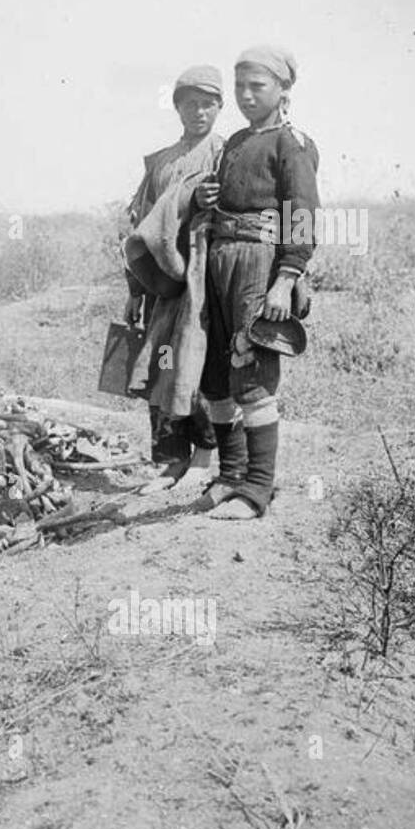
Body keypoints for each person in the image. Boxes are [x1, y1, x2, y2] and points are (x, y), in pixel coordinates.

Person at [193, 45, 319, 519]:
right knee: (216, 377)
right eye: (240, 86)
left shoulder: (292, 144)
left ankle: (258, 490)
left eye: (257, 86)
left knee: (253, 374)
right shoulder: (235, 144)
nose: (245, 95)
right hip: (219, 262)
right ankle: (229, 476)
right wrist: (207, 196)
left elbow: (301, 217)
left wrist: (285, 281)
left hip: (260, 265)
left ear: (283, 90)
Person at [122, 64, 224, 494]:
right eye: (190, 104)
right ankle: (170, 461)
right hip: (165, 283)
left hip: (206, 279)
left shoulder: (225, 152)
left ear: (219, 107)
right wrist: (134, 290)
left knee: (195, 364)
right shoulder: (161, 162)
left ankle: (204, 457)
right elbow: (139, 224)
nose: (198, 112)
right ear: (177, 108)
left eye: (207, 104)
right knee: (160, 364)